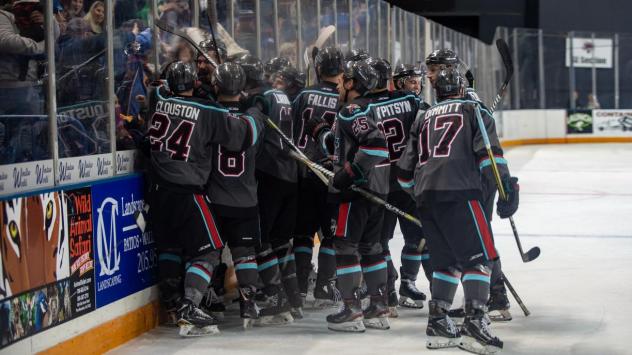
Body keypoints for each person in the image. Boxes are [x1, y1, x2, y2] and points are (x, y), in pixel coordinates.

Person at [397, 67, 518, 353]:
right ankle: (475, 322)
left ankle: (438, 320)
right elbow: (490, 157)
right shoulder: (475, 110)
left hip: (427, 198)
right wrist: (505, 189)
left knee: (446, 263)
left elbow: (403, 174)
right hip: (461, 194)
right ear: (462, 89)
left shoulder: (423, 117)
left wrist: (420, 192)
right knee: (480, 259)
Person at [147, 61, 263, 337]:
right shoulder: (208, 110)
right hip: (187, 190)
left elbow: (159, 88)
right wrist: (256, 110)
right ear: (197, 84)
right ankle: (189, 307)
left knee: (171, 245)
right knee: (209, 248)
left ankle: (174, 303)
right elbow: (244, 136)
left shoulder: (158, 99)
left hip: (156, 189)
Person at [426, 48, 513, 322]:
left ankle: (495, 298)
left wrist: (503, 183)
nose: (428, 75)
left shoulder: (468, 98)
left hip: (473, 181)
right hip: (461, 180)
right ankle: (489, 297)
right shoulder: (460, 95)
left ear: (447, 68)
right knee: (474, 239)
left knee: (479, 239)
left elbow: (487, 145)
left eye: (433, 69)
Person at [306, 59, 390, 332]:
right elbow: (347, 147)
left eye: (344, 80)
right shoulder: (369, 107)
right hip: (377, 189)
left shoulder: (350, 110)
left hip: (354, 193)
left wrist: (349, 173)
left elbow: (375, 146)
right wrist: (322, 134)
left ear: (353, 83)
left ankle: (352, 308)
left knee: (344, 247)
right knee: (371, 247)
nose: (339, 85)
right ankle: (378, 307)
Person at [233, 53, 299, 323]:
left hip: (269, 173)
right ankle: (293, 298)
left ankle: (276, 297)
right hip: (289, 175)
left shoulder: (260, 97)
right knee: (281, 240)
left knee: (261, 240)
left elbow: (254, 125)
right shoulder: (279, 94)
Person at [364, 57, 432, 317]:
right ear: (398, 81)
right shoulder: (414, 103)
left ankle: (400, 285)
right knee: (410, 238)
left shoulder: (367, 107)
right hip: (406, 182)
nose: (417, 85)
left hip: (381, 183)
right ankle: (396, 286)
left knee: (391, 241)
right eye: (412, 81)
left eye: (418, 81)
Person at [206, 62, 264, 329]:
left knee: (208, 255)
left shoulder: (208, 112)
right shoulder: (253, 117)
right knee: (245, 255)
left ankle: (211, 300)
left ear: (216, 86)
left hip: (214, 200)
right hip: (246, 199)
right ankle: (249, 304)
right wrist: (252, 104)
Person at [291, 47, 344, 308]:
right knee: (330, 235)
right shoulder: (344, 98)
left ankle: (300, 287)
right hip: (331, 175)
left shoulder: (303, 94)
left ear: (319, 69)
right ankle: (325, 284)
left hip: (302, 172)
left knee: (302, 233)